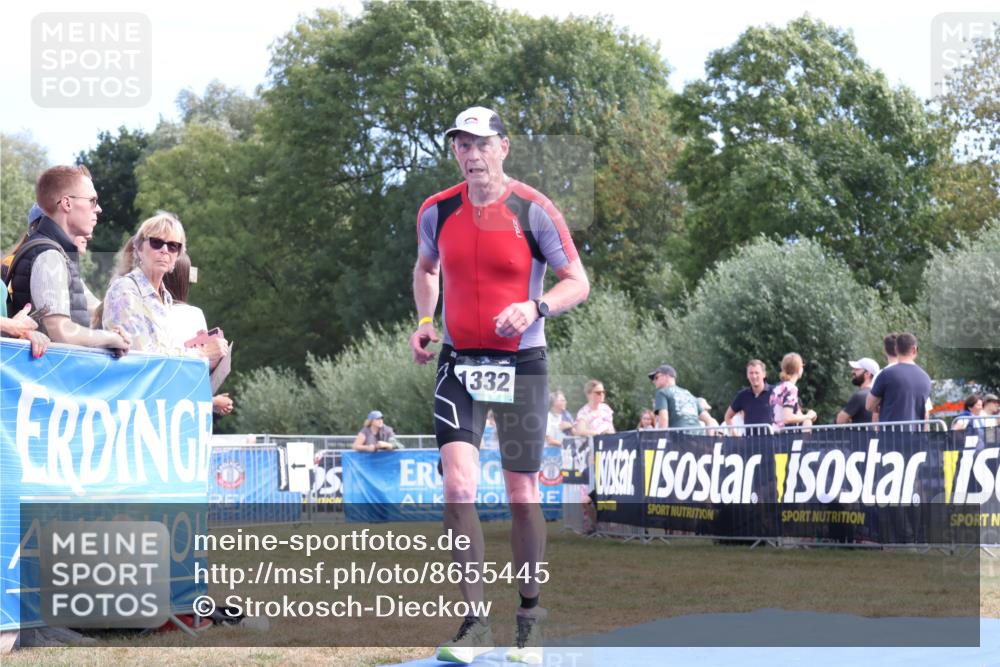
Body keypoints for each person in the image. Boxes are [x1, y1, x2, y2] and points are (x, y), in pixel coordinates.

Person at [408, 106, 589, 664]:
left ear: (503, 147)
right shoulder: (436, 211)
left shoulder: (535, 211)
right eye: (462, 144)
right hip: (459, 363)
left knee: (521, 494)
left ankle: (529, 620)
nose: (471, 154)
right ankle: (474, 623)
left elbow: (577, 282)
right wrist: (424, 321)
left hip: (522, 360)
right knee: (458, 488)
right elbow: (425, 268)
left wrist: (535, 306)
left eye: (482, 143)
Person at [8, 165, 129, 354]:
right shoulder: (49, 256)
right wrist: (110, 338)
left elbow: (92, 309)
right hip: (48, 377)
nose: (99, 209)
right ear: (66, 203)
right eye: (92, 201)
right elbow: (61, 331)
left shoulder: (56, 253)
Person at [102, 214, 228, 369]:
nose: (164, 250)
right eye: (156, 243)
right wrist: (201, 353)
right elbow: (141, 356)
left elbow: (164, 355)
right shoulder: (124, 290)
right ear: (139, 248)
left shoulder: (165, 297)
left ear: (178, 255)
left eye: (173, 246)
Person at [161, 253, 234, 416]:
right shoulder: (194, 314)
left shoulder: (151, 312)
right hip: (186, 406)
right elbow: (198, 369)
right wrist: (212, 400)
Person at [867, 333, 932, 426]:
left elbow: (869, 405)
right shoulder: (925, 378)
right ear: (914, 350)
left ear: (896, 349)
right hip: (916, 437)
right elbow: (926, 413)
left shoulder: (886, 374)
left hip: (891, 436)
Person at [769, 353, 817, 430]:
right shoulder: (791, 388)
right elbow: (787, 418)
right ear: (799, 369)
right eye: (802, 365)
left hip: (775, 435)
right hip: (786, 437)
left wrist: (806, 417)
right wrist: (809, 416)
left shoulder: (777, 387)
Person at [724, 360, 773, 432]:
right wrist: (734, 435)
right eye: (751, 373)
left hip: (773, 441)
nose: (754, 376)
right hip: (750, 442)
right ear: (747, 375)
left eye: (757, 373)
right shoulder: (742, 395)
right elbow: (727, 417)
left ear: (764, 374)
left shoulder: (775, 392)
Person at [649, 364, 703, 429]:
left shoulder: (662, 392)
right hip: (699, 436)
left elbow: (664, 419)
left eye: (656, 377)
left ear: (666, 376)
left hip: (678, 436)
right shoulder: (688, 394)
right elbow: (710, 420)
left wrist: (662, 437)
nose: (654, 381)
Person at [836, 357, 879, 425]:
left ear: (867, 374)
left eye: (856, 369)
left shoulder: (860, 396)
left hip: (858, 435)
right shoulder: (878, 395)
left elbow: (840, 421)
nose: (852, 372)